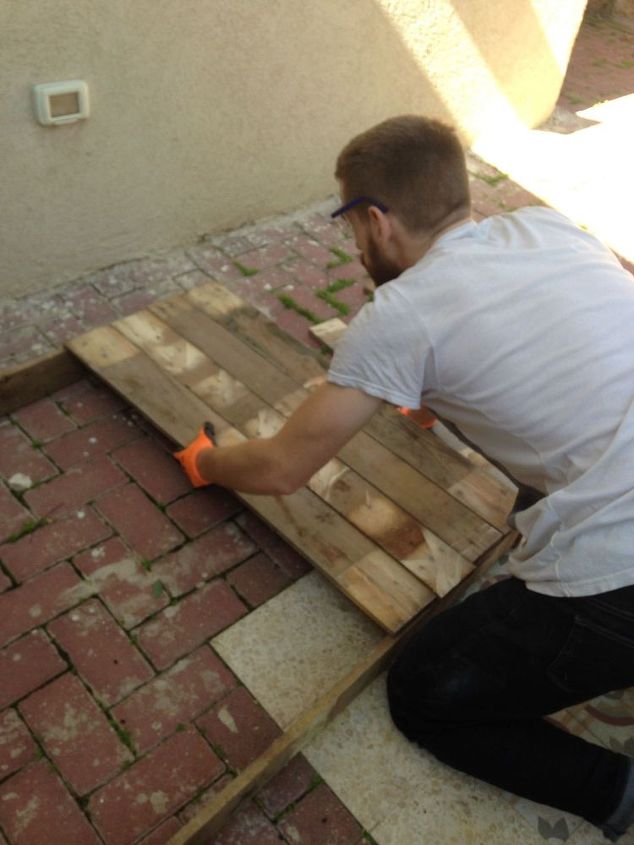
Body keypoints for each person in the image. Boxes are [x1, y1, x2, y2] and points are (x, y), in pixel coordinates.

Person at [175, 115, 634, 841]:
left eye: (350, 227)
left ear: (375, 221)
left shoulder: (401, 316)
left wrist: (205, 460)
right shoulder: (548, 229)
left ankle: (613, 786)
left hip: (621, 575)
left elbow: (282, 467)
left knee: (426, 690)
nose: (355, 246)